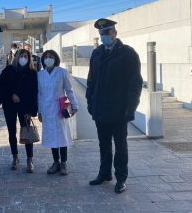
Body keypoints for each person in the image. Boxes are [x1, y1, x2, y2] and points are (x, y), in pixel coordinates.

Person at [86, 18, 143, 194]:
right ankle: (104, 174)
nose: (104, 36)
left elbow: (135, 84)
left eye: (107, 33)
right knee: (103, 144)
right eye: (101, 34)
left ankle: (121, 178)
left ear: (115, 33)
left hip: (119, 111)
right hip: (101, 109)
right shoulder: (96, 54)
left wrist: (130, 108)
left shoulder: (127, 53)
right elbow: (91, 81)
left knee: (120, 146)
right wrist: (90, 102)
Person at [0, 49, 38, 173]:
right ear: (16, 57)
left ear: (29, 58)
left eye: (26, 56)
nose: (23, 58)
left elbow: (34, 93)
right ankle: (15, 157)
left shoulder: (32, 72)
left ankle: (29, 159)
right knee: (12, 132)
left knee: (27, 131)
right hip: (10, 106)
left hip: (25, 107)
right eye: (21, 56)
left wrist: (32, 110)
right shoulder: (8, 70)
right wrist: (11, 95)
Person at [37, 50, 78, 176]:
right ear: (43, 60)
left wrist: (74, 105)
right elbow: (39, 94)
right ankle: (56, 162)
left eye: (51, 57)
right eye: (46, 57)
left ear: (55, 59)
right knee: (51, 137)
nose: (48, 59)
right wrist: (39, 111)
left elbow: (69, 90)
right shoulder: (40, 75)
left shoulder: (62, 72)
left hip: (60, 108)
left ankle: (64, 162)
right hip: (46, 109)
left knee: (62, 135)